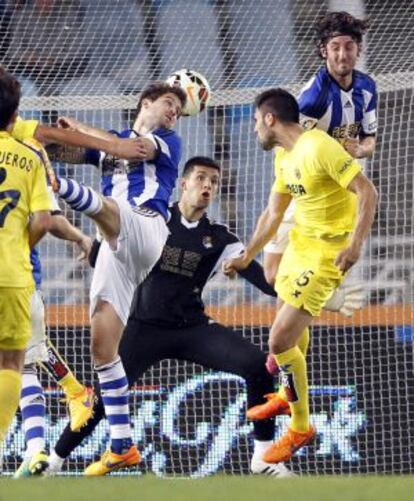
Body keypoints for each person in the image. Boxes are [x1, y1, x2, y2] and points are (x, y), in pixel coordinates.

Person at [46, 156, 294, 478]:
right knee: (105, 398)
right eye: (201, 178)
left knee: (258, 366)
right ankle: (53, 461)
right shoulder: (153, 219)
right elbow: (121, 256)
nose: (207, 185)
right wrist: (92, 251)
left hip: (191, 328)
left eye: (214, 182)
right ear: (183, 183)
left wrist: (301, 290)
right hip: (143, 327)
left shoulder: (220, 239)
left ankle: (263, 459)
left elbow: (264, 280)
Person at [223, 88, 378, 463]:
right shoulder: (283, 156)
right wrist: (248, 256)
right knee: (283, 321)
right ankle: (285, 392)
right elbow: (273, 213)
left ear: (270, 119)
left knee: (278, 341)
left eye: (256, 121)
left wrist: (355, 245)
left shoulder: (319, 147)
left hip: (327, 253)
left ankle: (300, 425)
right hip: (299, 246)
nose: (254, 129)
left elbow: (367, 192)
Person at [47, 81, 187, 475]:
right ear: (146, 102)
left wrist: (75, 125)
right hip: (116, 248)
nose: (174, 110)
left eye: (177, 106)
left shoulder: (165, 142)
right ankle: (122, 445)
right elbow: (71, 149)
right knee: (103, 348)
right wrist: (43, 140)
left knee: (109, 209)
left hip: (146, 227)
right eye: (167, 102)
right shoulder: (108, 146)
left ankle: (61, 190)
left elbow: (127, 148)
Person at [263, 11, 375, 308]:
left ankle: (283, 349)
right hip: (303, 185)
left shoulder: (367, 87)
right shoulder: (312, 97)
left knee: (293, 296)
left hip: (335, 196)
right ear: (324, 50)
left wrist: (360, 150)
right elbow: (294, 145)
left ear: (358, 49)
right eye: (335, 47)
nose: (342, 54)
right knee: (272, 274)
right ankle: (328, 299)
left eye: (349, 46)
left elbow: (370, 140)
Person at [14, 140, 94, 477]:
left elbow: (49, 219)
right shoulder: (27, 154)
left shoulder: (28, 151)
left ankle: (36, 449)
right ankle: (36, 449)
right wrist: (80, 238)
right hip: (17, 274)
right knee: (24, 359)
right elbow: (50, 219)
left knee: (21, 362)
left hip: (16, 276)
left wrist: (79, 237)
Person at [0, 70, 52, 447]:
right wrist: (19, 243)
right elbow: (43, 221)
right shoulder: (29, 156)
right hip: (13, 275)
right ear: (15, 116)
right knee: (12, 365)